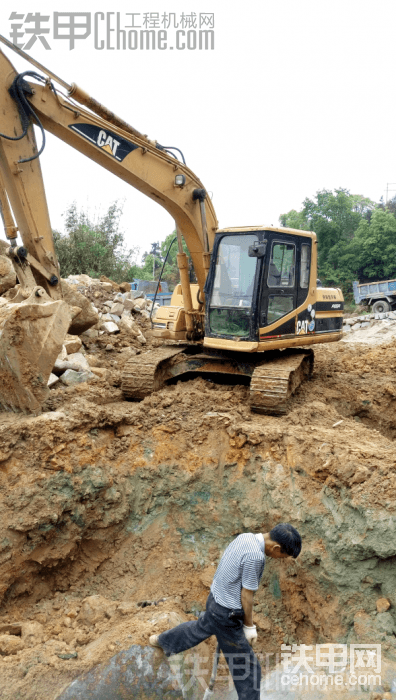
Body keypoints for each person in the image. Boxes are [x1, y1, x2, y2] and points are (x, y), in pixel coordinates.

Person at [149, 522, 302, 700]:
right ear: (276, 547)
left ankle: (162, 640)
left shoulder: (246, 537)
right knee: (249, 669)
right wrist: (249, 626)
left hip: (215, 600)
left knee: (199, 628)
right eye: (282, 556)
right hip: (227, 615)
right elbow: (247, 595)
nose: (279, 559)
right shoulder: (256, 556)